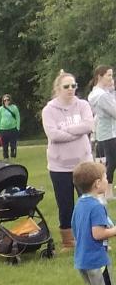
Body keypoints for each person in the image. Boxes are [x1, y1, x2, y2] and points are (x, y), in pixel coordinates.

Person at [61, 161, 116, 285]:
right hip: (97, 259)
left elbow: (76, 228)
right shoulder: (97, 206)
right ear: (97, 183)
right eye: (105, 177)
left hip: (82, 257)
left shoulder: (80, 204)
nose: (107, 180)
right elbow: (98, 233)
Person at [41, 71, 94, 249]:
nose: (71, 89)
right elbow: (53, 135)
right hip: (60, 166)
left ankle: (93, 237)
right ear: (58, 88)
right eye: (66, 86)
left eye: (73, 85)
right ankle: (69, 241)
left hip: (84, 164)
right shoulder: (49, 110)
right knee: (65, 205)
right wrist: (77, 132)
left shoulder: (83, 105)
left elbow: (89, 125)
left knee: (89, 202)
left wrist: (67, 131)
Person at [87, 64, 116, 192]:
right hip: (109, 132)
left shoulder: (98, 93)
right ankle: (107, 191)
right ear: (100, 76)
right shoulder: (102, 95)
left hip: (104, 132)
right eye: (109, 75)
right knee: (111, 162)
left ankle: (106, 190)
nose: (111, 78)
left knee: (108, 162)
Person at [0, 95, 20, 159]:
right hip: (3, 129)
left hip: (12, 128)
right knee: (4, 145)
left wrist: (17, 127)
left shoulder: (14, 108)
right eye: (5, 100)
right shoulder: (1, 109)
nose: (6, 101)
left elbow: (18, 117)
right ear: (3, 101)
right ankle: (6, 157)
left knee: (13, 144)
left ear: (10, 100)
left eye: (8, 100)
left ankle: (13, 155)